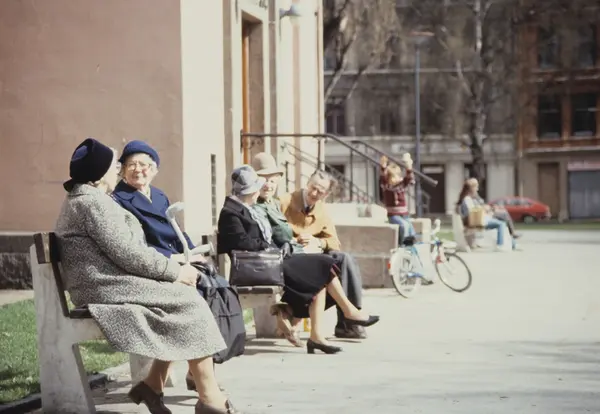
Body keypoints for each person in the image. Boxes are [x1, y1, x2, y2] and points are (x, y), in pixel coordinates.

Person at [55, 138, 238, 414]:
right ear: (98, 173)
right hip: (104, 287)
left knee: (185, 298)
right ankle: (210, 398)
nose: (118, 170)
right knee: (189, 302)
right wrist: (175, 271)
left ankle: (153, 385)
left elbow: (127, 251)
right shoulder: (92, 203)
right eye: (114, 165)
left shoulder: (90, 199)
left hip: (107, 281)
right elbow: (129, 253)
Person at [217, 165, 380, 354]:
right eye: (256, 187)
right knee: (323, 266)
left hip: (270, 260)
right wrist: (274, 246)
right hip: (262, 266)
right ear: (249, 191)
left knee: (323, 268)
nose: (260, 190)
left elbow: (332, 241)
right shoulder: (231, 212)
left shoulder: (246, 208)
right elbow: (242, 243)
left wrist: (284, 246)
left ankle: (318, 335)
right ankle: (348, 313)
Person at [111, 140, 232, 392]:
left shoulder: (159, 195)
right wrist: (175, 258)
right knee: (196, 295)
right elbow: (134, 246)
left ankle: (195, 371)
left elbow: (176, 231)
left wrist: (193, 252)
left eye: (145, 165)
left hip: (175, 261)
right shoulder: (118, 199)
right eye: (132, 164)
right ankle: (200, 378)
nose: (138, 170)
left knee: (219, 288)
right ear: (122, 170)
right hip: (153, 268)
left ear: (154, 169)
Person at [278, 170, 368, 340]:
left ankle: (348, 324)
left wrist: (318, 242)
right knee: (325, 268)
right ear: (307, 183)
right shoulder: (285, 201)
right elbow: (272, 232)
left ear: (326, 194)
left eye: (320, 192)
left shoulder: (321, 210)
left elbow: (334, 242)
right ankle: (348, 319)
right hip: (291, 256)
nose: (314, 193)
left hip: (312, 256)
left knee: (345, 260)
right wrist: (294, 240)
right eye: (313, 187)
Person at [457, 178, 517, 250]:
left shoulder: (469, 198)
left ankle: (513, 243)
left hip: (480, 218)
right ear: (471, 188)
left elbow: (475, 209)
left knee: (503, 218)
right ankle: (501, 244)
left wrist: (486, 210)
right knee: (502, 223)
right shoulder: (467, 199)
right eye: (476, 187)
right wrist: (485, 211)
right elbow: (472, 212)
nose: (477, 189)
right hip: (477, 221)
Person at [380, 153, 416, 245]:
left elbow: (409, 178)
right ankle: (402, 244)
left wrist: (409, 165)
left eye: (398, 176)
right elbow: (383, 177)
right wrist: (383, 165)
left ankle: (410, 245)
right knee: (404, 226)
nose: (397, 179)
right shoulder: (387, 186)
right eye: (394, 177)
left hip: (404, 214)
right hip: (393, 215)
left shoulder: (401, 185)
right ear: (389, 178)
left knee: (411, 230)